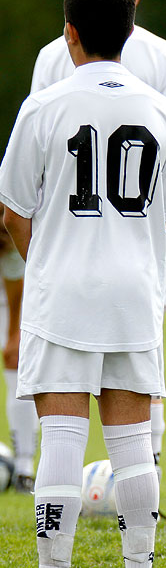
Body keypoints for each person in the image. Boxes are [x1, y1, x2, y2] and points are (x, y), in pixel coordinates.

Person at [0, 0, 166, 568]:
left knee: (60, 439)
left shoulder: (44, 105)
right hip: (134, 295)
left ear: (70, 34)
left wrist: (50, 258)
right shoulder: (160, 107)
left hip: (64, 295)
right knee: (135, 448)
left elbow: (12, 211)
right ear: (130, 31)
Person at [30, 0, 166, 469]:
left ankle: (48, 485)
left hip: (64, 236)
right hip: (141, 238)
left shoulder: (53, 55)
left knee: (60, 372)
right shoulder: (165, 55)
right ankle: (150, 466)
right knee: (145, 355)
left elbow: (33, 163)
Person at [0, 205, 39, 493]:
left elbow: (15, 287)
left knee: (17, 369)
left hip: (9, 304)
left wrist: (14, 334)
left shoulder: (7, 238)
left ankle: (25, 467)